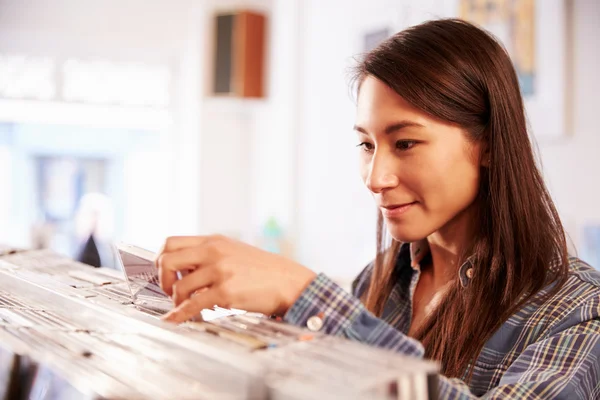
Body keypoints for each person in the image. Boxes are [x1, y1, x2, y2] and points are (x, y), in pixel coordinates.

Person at [155, 19, 600, 398]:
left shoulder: (576, 310)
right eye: (367, 144)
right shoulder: (383, 279)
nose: (375, 178)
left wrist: (306, 294)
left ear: (487, 145)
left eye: (405, 143)